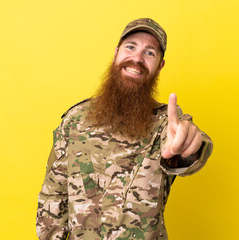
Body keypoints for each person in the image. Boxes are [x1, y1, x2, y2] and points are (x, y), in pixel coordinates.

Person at [36, 18, 213, 240]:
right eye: (131, 47)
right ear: (116, 52)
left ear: (160, 66)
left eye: (150, 53)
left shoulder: (165, 125)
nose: (137, 58)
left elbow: (190, 147)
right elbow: (53, 195)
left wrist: (190, 146)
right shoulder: (75, 119)